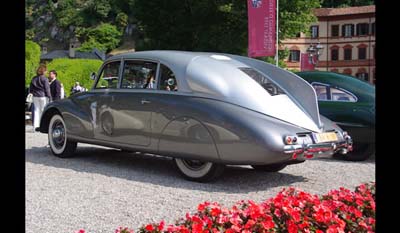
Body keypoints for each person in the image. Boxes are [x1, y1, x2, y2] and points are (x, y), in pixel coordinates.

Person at [29, 64, 52, 132]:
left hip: (35, 96)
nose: (46, 72)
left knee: (36, 111)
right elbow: (47, 89)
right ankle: (42, 126)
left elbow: (30, 88)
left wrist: (32, 93)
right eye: (46, 70)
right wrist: (50, 97)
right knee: (43, 111)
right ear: (43, 71)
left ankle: (35, 127)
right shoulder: (44, 78)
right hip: (43, 96)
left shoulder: (34, 78)